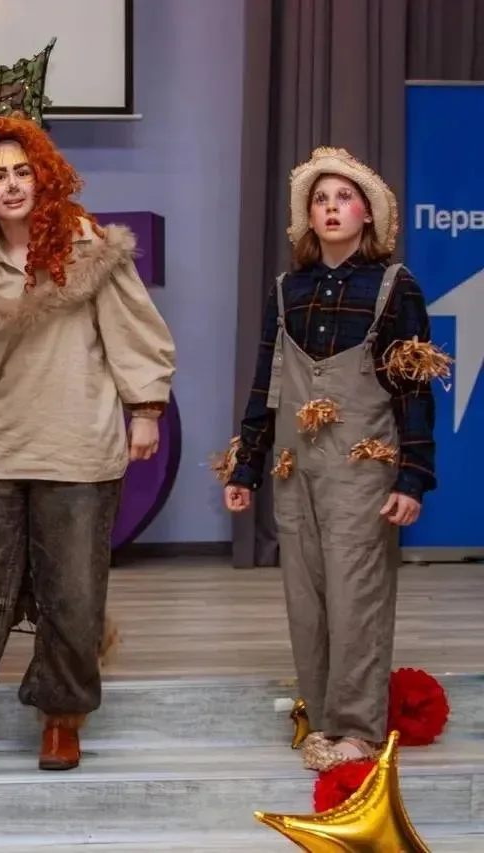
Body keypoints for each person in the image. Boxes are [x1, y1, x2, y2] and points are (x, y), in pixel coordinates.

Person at [0, 113, 175, 772]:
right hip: (1, 441)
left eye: (23, 171)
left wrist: (145, 410)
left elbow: (136, 331)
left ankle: (62, 719)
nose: (13, 184)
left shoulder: (88, 247)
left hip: (80, 443)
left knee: (72, 592)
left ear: (43, 177)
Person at [223, 147, 439, 772]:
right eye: (320, 200)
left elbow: (414, 388)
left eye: (345, 197)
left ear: (368, 213)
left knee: (356, 595)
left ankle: (358, 728)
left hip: (362, 469)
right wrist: (246, 466)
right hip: (296, 468)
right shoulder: (288, 289)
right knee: (306, 596)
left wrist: (412, 478)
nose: (332, 208)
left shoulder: (395, 287)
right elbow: (267, 384)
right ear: (308, 217)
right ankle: (322, 719)